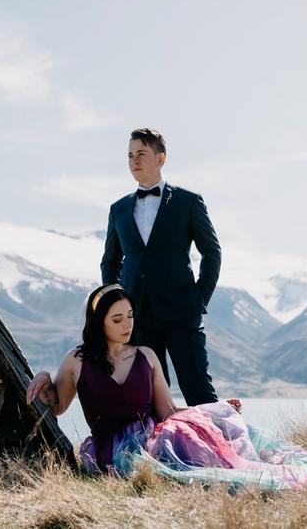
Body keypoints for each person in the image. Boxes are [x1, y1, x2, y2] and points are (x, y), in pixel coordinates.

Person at [26, 285, 307, 499]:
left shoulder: (147, 356)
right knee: (180, 455)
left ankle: (276, 472)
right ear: (98, 321)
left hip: (155, 432)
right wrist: (44, 375)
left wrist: (211, 410)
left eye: (131, 316)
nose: (127, 324)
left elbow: (167, 410)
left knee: (198, 434)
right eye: (117, 318)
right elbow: (59, 407)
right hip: (112, 449)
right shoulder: (77, 360)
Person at [100, 128, 220, 406]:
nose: (134, 160)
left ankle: (219, 448)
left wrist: (199, 298)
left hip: (182, 311)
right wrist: (116, 304)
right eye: (130, 155)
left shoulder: (188, 202)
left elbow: (212, 251)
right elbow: (110, 261)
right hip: (138, 315)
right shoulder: (118, 209)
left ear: (161, 158)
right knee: (150, 397)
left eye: (141, 153)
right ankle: (160, 450)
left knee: (200, 393)